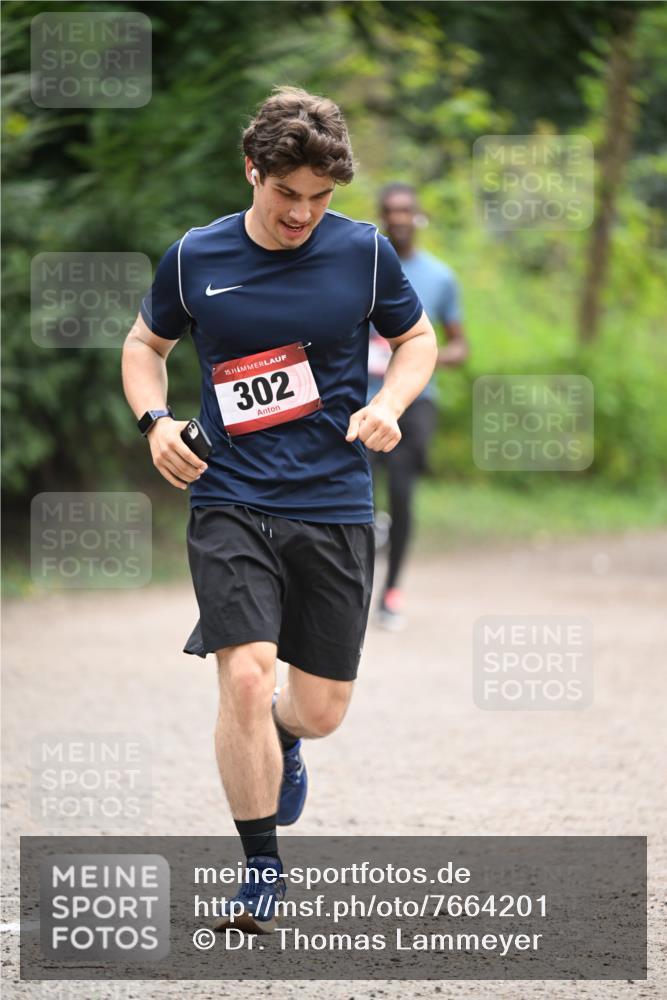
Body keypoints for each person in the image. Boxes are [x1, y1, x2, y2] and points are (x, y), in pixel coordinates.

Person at [121, 88, 437, 933]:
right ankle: (259, 867)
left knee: (320, 708)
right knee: (247, 670)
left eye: (318, 198)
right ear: (251, 171)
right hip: (229, 494)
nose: (301, 213)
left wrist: (392, 403)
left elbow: (416, 339)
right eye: (285, 193)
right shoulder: (195, 256)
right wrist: (155, 423)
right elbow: (145, 345)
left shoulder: (363, 253)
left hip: (333, 499)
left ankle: (282, 736)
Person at [368, 183, 468, 631]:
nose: (399, 218)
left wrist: (421, 353)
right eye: (391, 211)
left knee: (404, 496)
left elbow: (459, 345)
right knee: (359, 493)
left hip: (416, 399)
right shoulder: (363, 267)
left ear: (418, 215)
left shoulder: (440, 277)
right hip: (363, 397)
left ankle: (392, 592)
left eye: (406, 210)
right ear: (382, 216)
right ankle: (369, 546)